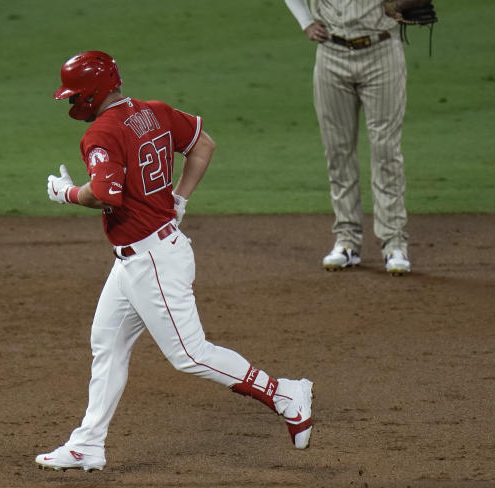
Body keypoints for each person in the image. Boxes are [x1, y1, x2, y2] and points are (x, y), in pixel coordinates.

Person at [35, 51, 313, 472]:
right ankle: (87, 444)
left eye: (76, 95)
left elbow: (104, 194)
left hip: (153, 261)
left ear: (93, 92)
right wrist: (179, 199)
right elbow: (203, 145)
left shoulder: (101, 134)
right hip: (138, 258)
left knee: (190, 354)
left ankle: (285, 394)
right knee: (107, 343)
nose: (73, 103)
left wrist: (66, 193)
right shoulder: (155, 111)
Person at [278, 0, 449, 275]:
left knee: (386, 150)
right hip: (331, 57)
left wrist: (402, 5)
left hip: (381, 55)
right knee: (338, 152)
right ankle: (348, 240)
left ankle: (394, 244)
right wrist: (305, 21)